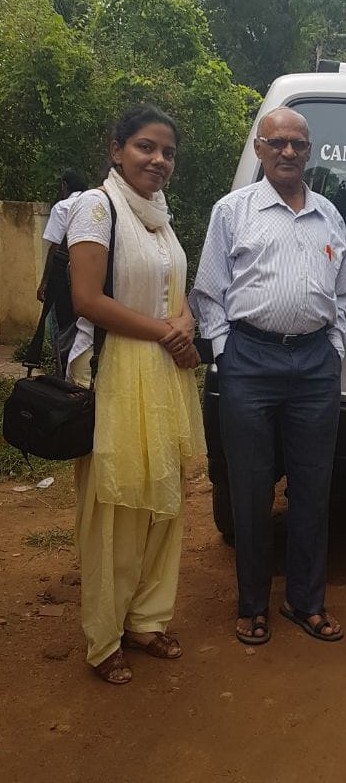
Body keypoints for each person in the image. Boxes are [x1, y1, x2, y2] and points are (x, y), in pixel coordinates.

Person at [190, 107, 346, 645]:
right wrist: (225, 352)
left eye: (298, 144)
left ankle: (305, 603)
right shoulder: (232, 211)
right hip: (249, 362)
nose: (288, 152)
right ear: (259, 150)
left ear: (310, 152)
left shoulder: (330, 214)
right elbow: (209, 291)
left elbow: (343, 293)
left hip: (313, 366)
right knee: (251, 487)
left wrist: (332, 346)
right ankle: (253, 605)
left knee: (313, 488)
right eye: (276, 142)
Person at [66, 104, 205, 685]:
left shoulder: (161, 218)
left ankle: (146, 618)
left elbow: (176, 292)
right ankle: (104, 637)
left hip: (164, 375)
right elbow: (88, 300)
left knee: (163, 505)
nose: (159, 160)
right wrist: (168, 334)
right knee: (116, 507)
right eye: (146, 147)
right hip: (117, 373)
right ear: (116, 149)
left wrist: (187, 325)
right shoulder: (96, 208)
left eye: (167, 152)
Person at [37, 168, 88, 374]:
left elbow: (55, 248)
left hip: (63, 277)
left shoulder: (63, 207)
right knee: (84, 327)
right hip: (91, 277)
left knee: (61, 329)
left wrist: (44, 283)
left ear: (65, 185)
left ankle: (62, 378)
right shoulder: (96, 204)